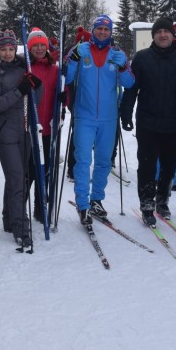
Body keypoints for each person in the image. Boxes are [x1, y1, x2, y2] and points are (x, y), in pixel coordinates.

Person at [121, 17, 176, 226]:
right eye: (158, 31)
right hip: (148, 122)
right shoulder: (142, 58)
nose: (163, 35)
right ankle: (146, 203)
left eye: (166, 31)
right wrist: (126, 114)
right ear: (153, 35)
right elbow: (132, 89)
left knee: (170, 165)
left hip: (174, 121)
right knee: (147, 164)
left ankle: (162, 200)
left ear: (173, 35)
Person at [65, 15, 134, 225]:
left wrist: (123, 67)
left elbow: (130, 83)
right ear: (93, 30)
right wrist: (71, 60)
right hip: (84, 115)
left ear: (111, 32)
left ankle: (96, 200)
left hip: (108, 117)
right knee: (83, 160)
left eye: (106, 29)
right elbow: (66, 79)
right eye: (99, 29)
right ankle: (83, 204)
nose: (102, 32)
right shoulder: (81, 49)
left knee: (104, 161)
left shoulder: (117, 53)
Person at [0, 30, 41, 247]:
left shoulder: (22, 68)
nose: (7, 53)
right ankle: (20, 227)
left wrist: (37, 86)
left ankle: (9, 218)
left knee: (19, 177)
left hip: (24, 129)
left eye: (11, 49)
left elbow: (36, 100)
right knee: (17, 178)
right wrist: (19, 90)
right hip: (5, 131)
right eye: (3, 49)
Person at [26, 27, 59, 222]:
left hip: (48, 129)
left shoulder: (54, 69)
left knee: (44, 171)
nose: (39, 48)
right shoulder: (26, 68)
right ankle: (16, 210)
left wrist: (63, 98)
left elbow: (60, 94)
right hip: (30, 128)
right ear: (29, 48)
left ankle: (41, 207)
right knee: (28, 171)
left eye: (42, 45)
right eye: (35, 45)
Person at [65, 25, 91, 181]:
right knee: (78, 136)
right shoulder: (73, 53)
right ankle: (73, 168)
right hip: (76, 100)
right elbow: (68, 78)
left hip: (84, 101)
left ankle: (77, 167)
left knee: (82, 136)